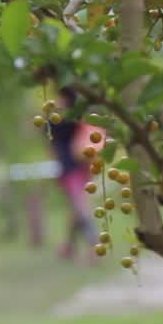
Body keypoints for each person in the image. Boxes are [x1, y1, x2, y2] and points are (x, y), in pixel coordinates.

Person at [48, 87, 99, 261]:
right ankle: (68, 247)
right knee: (75, 208)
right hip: (77, 166)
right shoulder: (77, 114)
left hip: (71, 167)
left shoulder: (62, 117)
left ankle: (95, 247)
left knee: (80, 206)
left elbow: (51, 144)